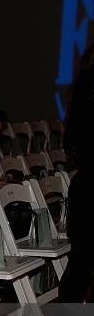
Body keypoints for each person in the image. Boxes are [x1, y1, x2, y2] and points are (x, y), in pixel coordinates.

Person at [59, 43, 94, 302]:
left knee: (80, 263)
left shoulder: (82, 82)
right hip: (90, 189)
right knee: (82, 264)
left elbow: (72, 143)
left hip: (85, 186)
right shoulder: (89, 83)